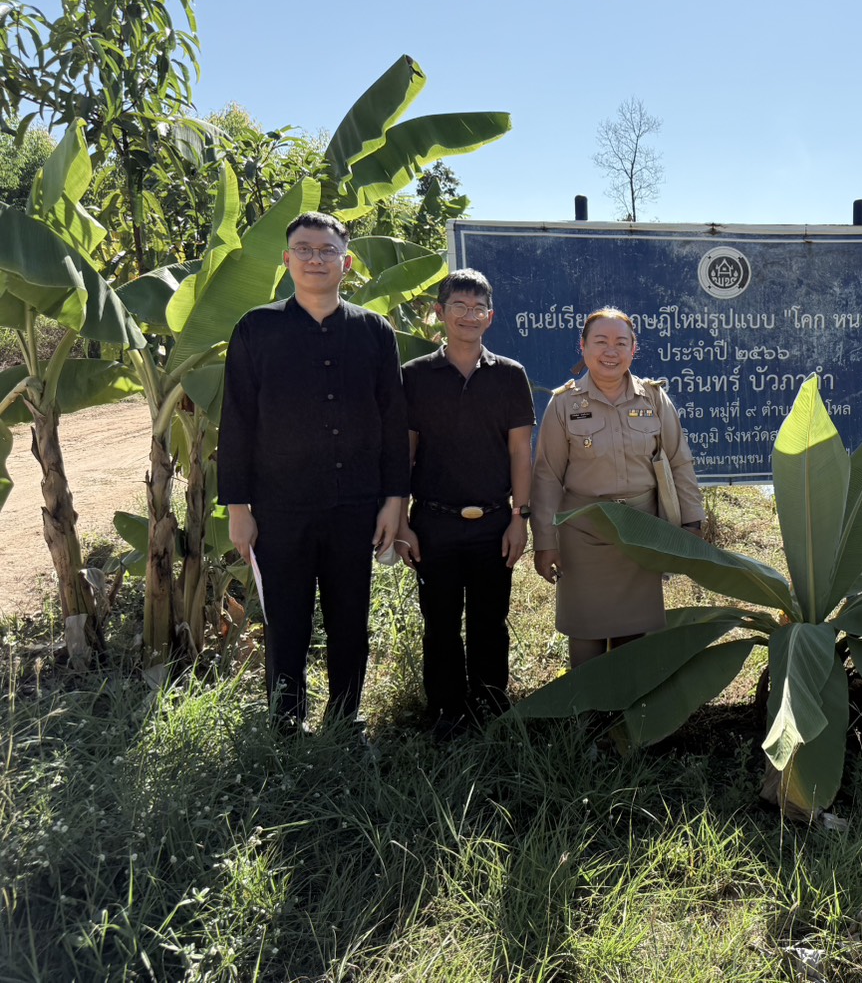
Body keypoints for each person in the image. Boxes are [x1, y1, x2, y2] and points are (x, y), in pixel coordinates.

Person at [220, 211, 409, 734]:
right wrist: (239, 509)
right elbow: (236, 423)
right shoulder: (257, 328)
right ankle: (286, 724)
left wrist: (395, 501)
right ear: (286, 260)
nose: (315, 259)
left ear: (346, 263)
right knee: (287, 622)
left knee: (351, 620)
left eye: (326, 251)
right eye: (303, 249)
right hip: (280, 508)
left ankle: (346, 720)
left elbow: (394, 421)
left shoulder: (374, 330)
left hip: (356, 505)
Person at [397, 269, 534, 739]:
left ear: (490, 317)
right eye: (458, 306)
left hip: (495, 522)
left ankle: (492, 707)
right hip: (434, 523)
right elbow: (405, 452)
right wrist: (401, 522)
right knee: (439, 624)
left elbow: (520, 451)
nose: (468, 316)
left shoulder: (511, 377)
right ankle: (446, 711)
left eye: (478, 309)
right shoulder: (414, 376)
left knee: (490, 622)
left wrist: (521, 518)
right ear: (440, 312)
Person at [531, 307, 704, 668]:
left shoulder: (654, 399)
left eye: (620, 343)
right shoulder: (564, 404)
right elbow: (547, 476)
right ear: (583, 347)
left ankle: (627, 712)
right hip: (584, 532)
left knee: (635, 632)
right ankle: (586, 717)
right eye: (601, 341)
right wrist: (545, 542)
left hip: (641, 530)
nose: (611, 351)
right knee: (586, 631)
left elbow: (678, 461)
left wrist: (692, 523)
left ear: (633, 350)